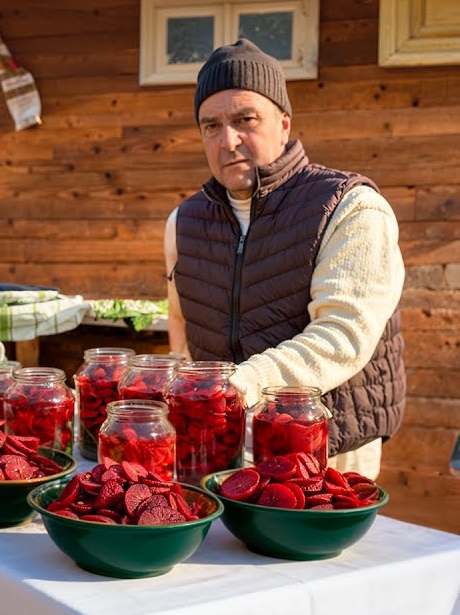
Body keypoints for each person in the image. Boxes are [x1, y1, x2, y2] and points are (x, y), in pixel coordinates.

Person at [163, 38, 406, 479]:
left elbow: (342, 336)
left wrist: (236, 387)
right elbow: (180, 326)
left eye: (245, 119)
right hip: (219, 448)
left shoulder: (348, 207)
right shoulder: (184, 222)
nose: (228, 140)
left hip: (325, 447)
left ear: (284, 124)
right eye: (211, 126)